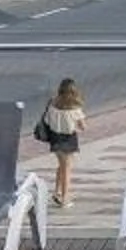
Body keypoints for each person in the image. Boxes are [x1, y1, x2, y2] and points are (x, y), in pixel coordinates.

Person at [34, 79, 86, 207]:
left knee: (62, 165)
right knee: (67, 168)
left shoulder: (52, 103)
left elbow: (47, 120)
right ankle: (65, 198)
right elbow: (83, 127)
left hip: (55, 138)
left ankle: (57, 192)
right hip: (69, 138)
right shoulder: (75, 108)